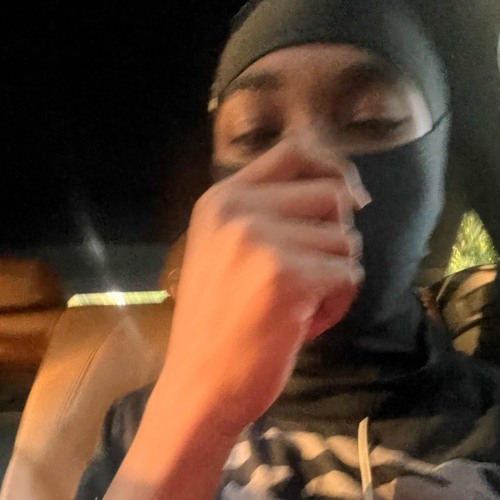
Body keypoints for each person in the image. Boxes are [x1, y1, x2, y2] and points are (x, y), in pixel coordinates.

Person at [76, 1, 500, 498]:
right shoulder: (138, 429)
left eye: (371, 119)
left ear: (436, 175)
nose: (307, 157)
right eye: (254, 133)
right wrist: (194, 409)